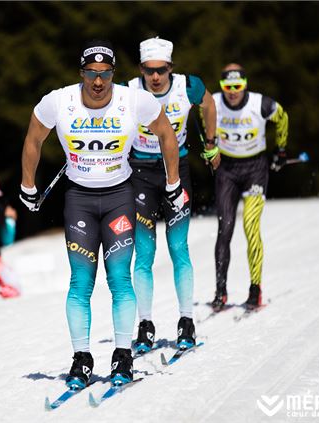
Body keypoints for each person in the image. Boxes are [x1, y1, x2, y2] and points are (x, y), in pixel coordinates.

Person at [19, 40, 182, 388]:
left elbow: (167, 134)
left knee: (119, 278)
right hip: (79, 200)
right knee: (80, 283)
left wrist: (173, 182)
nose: (98, 81)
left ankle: (123, 355)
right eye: (91, 74)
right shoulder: (59, 101)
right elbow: (34, 138)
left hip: (120, 198)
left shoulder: (132, 100)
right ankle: (81, 357)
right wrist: (27, 186)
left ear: (113, 74)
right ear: (82, 74)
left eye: (105, 74)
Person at [125, 37, 217, 352]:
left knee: (179, 247)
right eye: (149, 70)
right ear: (141, 69)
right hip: (139, 174)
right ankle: (145, 324)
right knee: (144, 254)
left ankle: (186, 320)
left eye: (161, 70)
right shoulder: (128, 90)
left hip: (177, 172)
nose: (155, 77)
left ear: (170, 68)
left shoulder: (188, 86)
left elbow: (209, 103)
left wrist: (211, 141)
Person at [209, 63, 289, 311]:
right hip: (227, 171)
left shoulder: (260, 104)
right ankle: (221, 291)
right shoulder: (213, 103)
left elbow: (283, 117)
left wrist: (281, 150)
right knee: (225, 228)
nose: (232, 91)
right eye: (227, 86)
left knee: (250, 226)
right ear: (221, 86)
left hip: (255, 169)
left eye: (237, 86)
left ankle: (255, 289)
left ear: (245, 85)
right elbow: (202, 121)